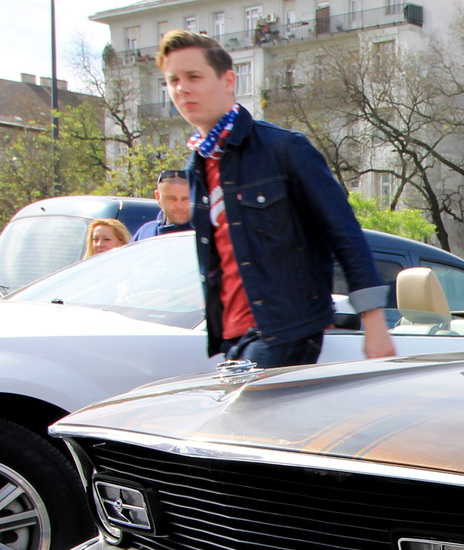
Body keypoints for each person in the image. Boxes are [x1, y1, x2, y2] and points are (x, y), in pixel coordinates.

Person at [157, 29, 394, 367]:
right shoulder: (196, 168)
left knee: (239, 419)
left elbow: (345, 234)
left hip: (285, 330)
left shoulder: (282, 149)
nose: (181, 88)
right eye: (172, 80)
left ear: (228, 80)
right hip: (231, 339)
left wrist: (375, 327)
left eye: (194, 76)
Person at [131, 169, 193, 240]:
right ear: (158, 197)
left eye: (186, 199)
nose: (179, 206)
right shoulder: (145, 234)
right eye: (172, 199)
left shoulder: (205, 235)